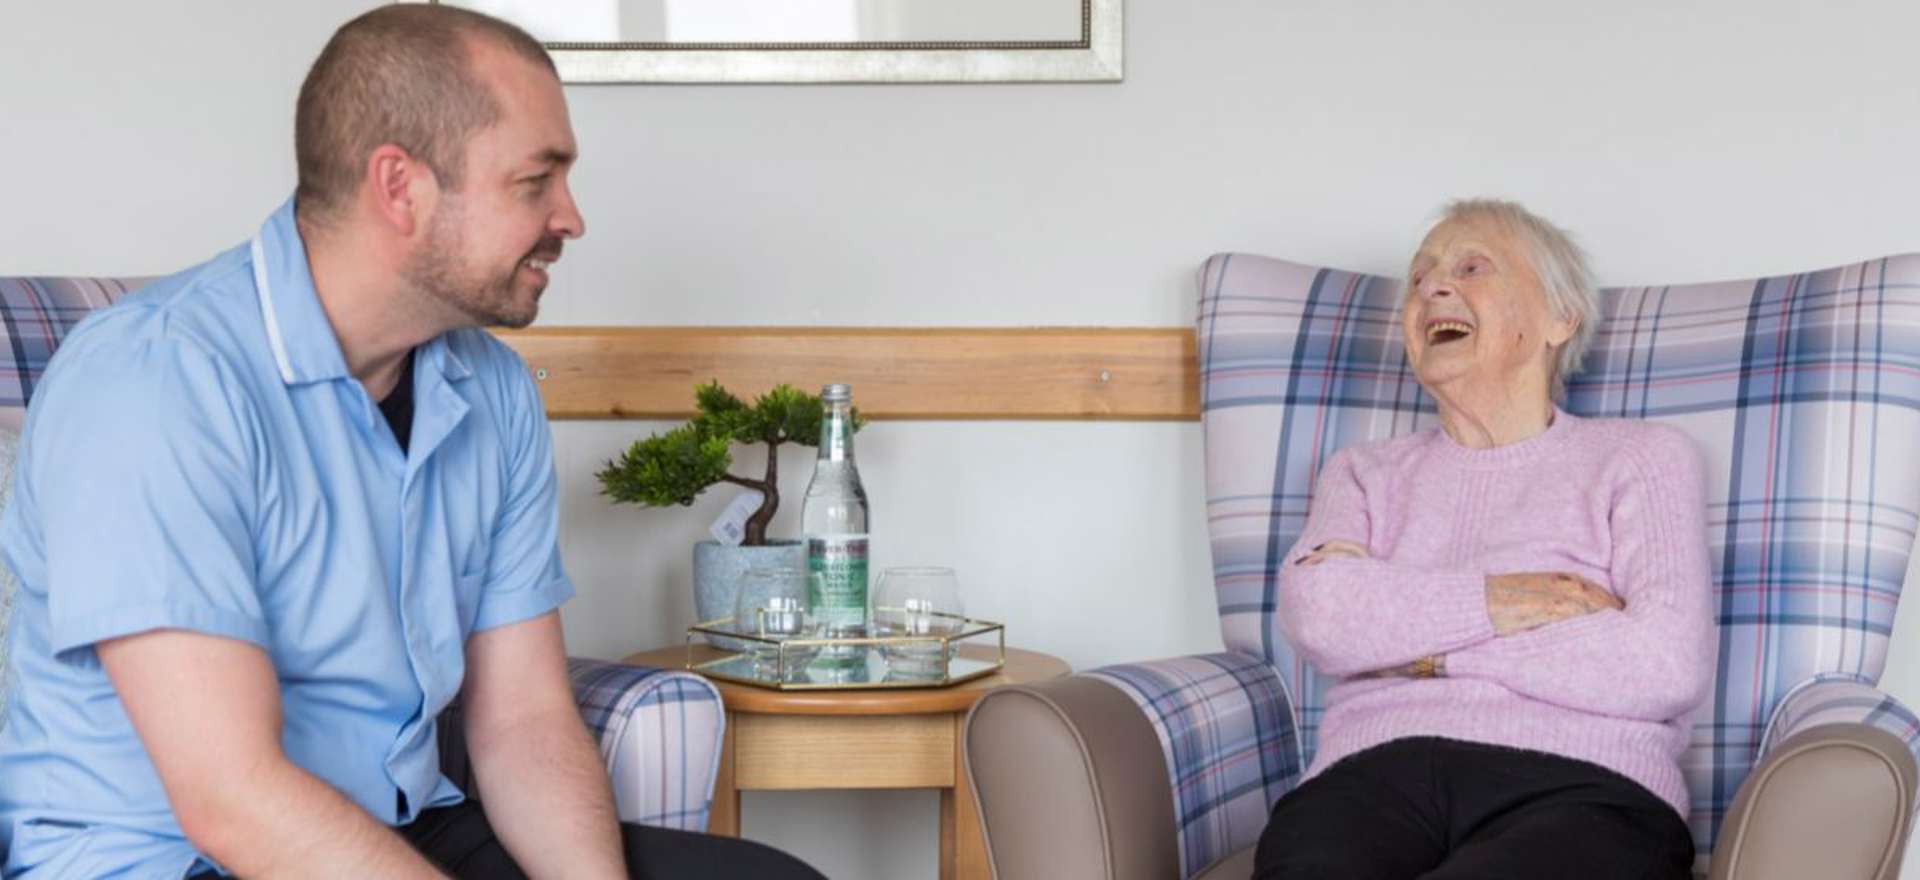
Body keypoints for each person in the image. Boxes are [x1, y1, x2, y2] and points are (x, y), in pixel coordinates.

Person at [0, 7, 823, 878]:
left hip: (395, 832)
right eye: (535, 181)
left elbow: (522, 723)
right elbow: (230, 798)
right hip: (176, 857)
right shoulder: (158, 382)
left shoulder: (491, 390)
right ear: (400, 187)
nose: (571, 218)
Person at [1253, 200, 1714, 879]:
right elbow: (1321, 617)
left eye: (1471, 267)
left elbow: (1665, 665)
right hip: (1368, 778)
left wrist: (1412, 652)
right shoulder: (1362, 473)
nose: (1433, 288)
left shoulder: (1644, 458)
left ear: (1560, 319)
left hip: (1587, 786)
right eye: (1419, 279)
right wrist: (1505, 603)